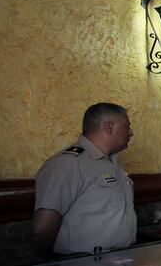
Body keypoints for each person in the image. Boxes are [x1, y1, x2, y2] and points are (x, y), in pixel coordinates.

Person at [32, 102, 137, 257]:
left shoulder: (113, 162)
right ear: (109, 127)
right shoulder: (68, 164)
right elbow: (42, 230)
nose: (131, 133)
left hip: (120, 261)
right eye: (126, 127)